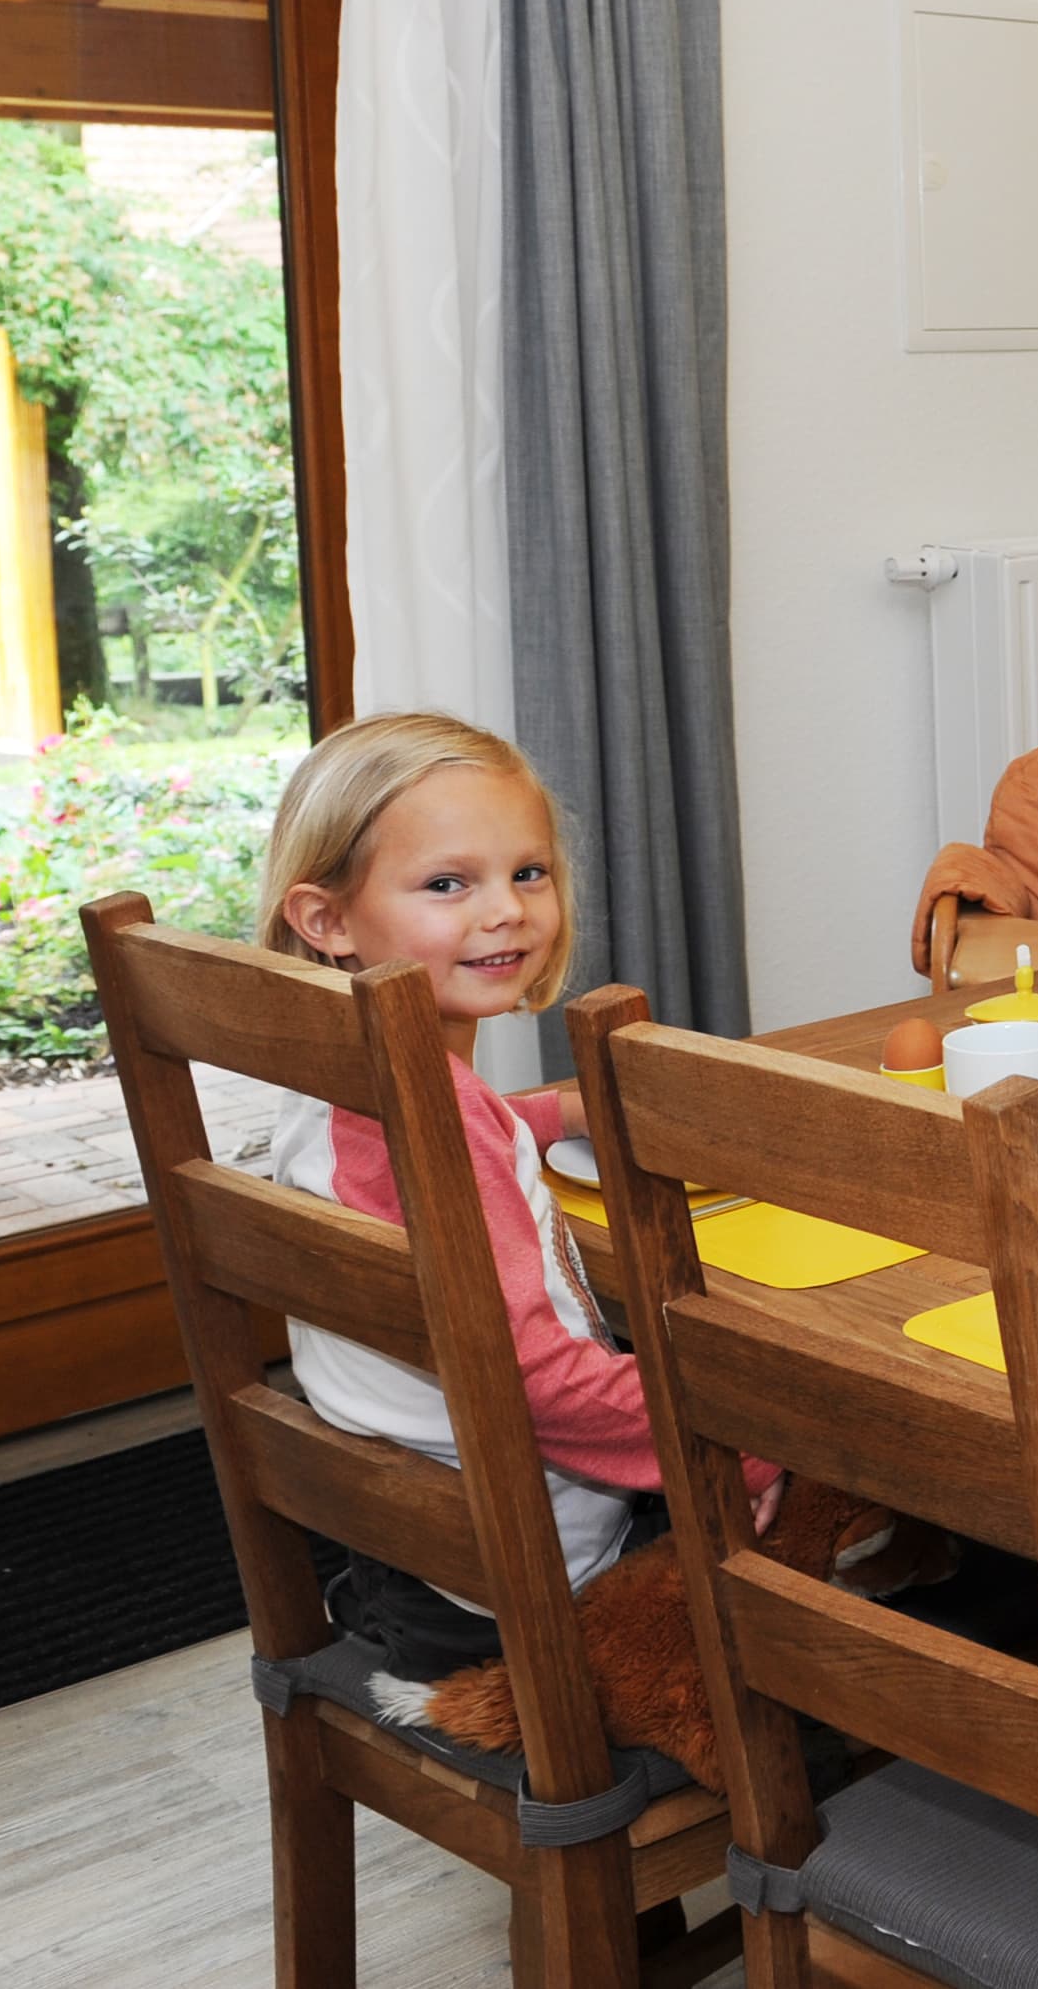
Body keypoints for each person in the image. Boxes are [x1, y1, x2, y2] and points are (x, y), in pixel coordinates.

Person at [260, 712, 776, 1678]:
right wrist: (740, 1450)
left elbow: (456, 1142)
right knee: (829, 1434)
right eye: (448, 883)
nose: (505, 910)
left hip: (413, 1557)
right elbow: (538, 1384)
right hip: (537, 1578)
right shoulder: (432, 1130)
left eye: (526, 872)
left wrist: (544, 1113)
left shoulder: (344, 1076)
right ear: (325, 918)